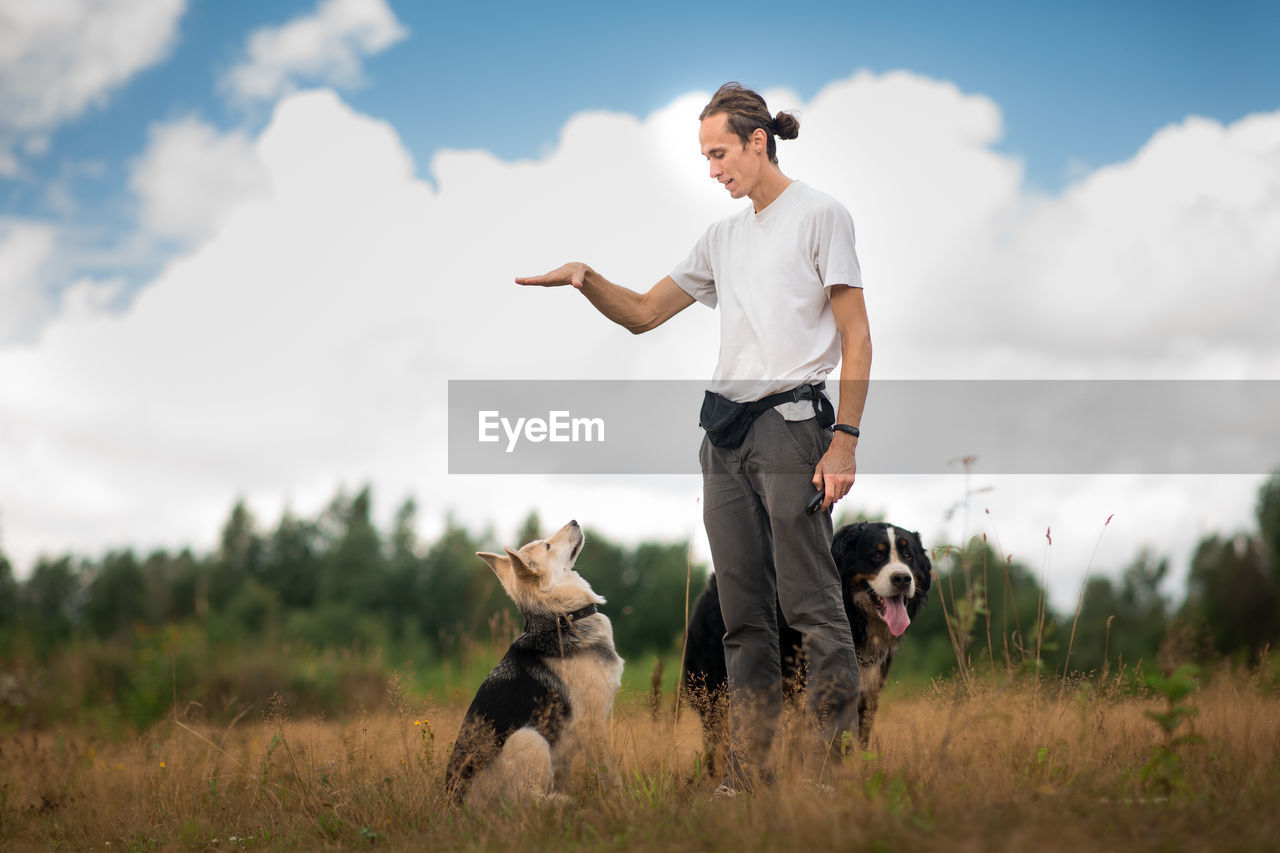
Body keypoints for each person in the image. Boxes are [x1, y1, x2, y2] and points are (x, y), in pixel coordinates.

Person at [516, 82, 871, 789]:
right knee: (742, 617)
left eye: (719, 154)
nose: (712, 170)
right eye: (705, 157)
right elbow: (646, 312)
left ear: (757, 141)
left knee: (812, 604)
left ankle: (830, 771)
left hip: (794, 427)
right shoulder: (723, 236)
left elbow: (857, 336)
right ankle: (751, 771)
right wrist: (587, 278)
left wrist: (846, 438)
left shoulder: (821, 216)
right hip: (725, 435)